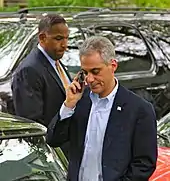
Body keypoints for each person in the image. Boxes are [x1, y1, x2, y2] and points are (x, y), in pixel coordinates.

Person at [46, 36, 157, 181]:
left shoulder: (139, 110)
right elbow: (53, 140)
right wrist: (69, 104)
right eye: (85, 73)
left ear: (113, 66)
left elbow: (144, 164)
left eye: (95, 71)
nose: (89, 79)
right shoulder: (79, 101)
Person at [12, 14, 71, 127]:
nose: (64, 45)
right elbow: (32, 124)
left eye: (66, 38)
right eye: (58, 38)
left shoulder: (55, 60)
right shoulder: (29, 70)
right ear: (42, 38)